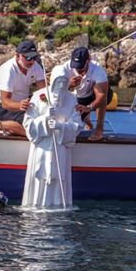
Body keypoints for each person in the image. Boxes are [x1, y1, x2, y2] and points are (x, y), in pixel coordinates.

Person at [22, 65, 83, 207]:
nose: (61, 85)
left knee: (58, 178)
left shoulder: (72, 100)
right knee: (40, 176)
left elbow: (77, 125)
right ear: (53, 81)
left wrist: (60, 127)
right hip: (42, 147)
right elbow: (28, 124)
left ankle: (58, 205)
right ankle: (35, 205)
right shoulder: (38, 97)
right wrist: (44, 119)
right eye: (58, 82)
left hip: (60, 148)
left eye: (64, 82)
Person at [0, 40, 46, 136]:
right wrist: (19, 106)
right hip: (0, 106)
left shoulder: (35, 66)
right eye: (28, 58)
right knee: (31, 127)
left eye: (35, 57)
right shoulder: (8, 70)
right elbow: (5, 103)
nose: (32, 61)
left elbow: (44, 91)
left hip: (22, 103)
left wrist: (48, 103)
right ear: (18, 56)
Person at [62, 47, 110, 141]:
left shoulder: (97, 69)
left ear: (88, 60)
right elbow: (57, 91)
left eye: (80, 66)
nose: (77, 69)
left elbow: (103, 96)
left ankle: (99, 129)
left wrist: (89, 108)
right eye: (75, 66)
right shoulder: (65, 68)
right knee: (75, 118)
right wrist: (69, 84)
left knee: (98, 90)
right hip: (81, 97)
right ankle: (87, 120)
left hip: (95, 95)